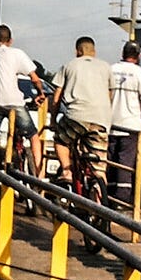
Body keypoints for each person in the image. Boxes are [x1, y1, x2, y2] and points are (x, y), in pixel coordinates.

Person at [0, 24, 48, 173]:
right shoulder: (17, 54)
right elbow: (35, 78)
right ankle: (39, 174)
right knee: (33, 135)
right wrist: (40, 93)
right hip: (14, 103)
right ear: (10, 41)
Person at [49, 35, 113, 193]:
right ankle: (99, 203)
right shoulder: (106, 67)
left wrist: (53, 120)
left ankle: (66, 171)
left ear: (77, 51)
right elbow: (110, 94)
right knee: (99, 169)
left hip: (76, 116)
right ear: (94, 51)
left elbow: (56, 97)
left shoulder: (69, 65)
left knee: (60, 140)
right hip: (101, 119)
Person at [101, 41, 141, 207]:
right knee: (125, 164)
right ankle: (121, 199)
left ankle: (104, 194)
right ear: (138, 56)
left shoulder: (110, 69)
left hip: (109, 123)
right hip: (131, 126)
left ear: (123, 53)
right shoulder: (140, 74)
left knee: (108, 161)